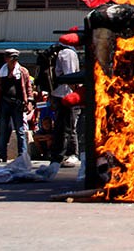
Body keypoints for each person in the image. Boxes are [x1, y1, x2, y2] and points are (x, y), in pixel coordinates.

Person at [40, 30, 82, 179]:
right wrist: (79, 93)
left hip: (58, 95)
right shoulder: (68, 53)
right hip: (66, 95)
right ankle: (66, 155)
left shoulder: (58, 52)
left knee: (62, 126)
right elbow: (70, 76)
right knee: (67, 127)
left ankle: (59, 155)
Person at [0, 48, 33, 163]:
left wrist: (29, 101)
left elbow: (28, 87)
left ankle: (22, 155)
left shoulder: (22, 71)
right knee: (4, 130)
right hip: (4, 103)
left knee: (20, 130)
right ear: (6, 59)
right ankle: (2, 155)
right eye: (11, 57)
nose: (14, 60)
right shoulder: (1, 72)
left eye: (16, 57)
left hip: (18, 103)